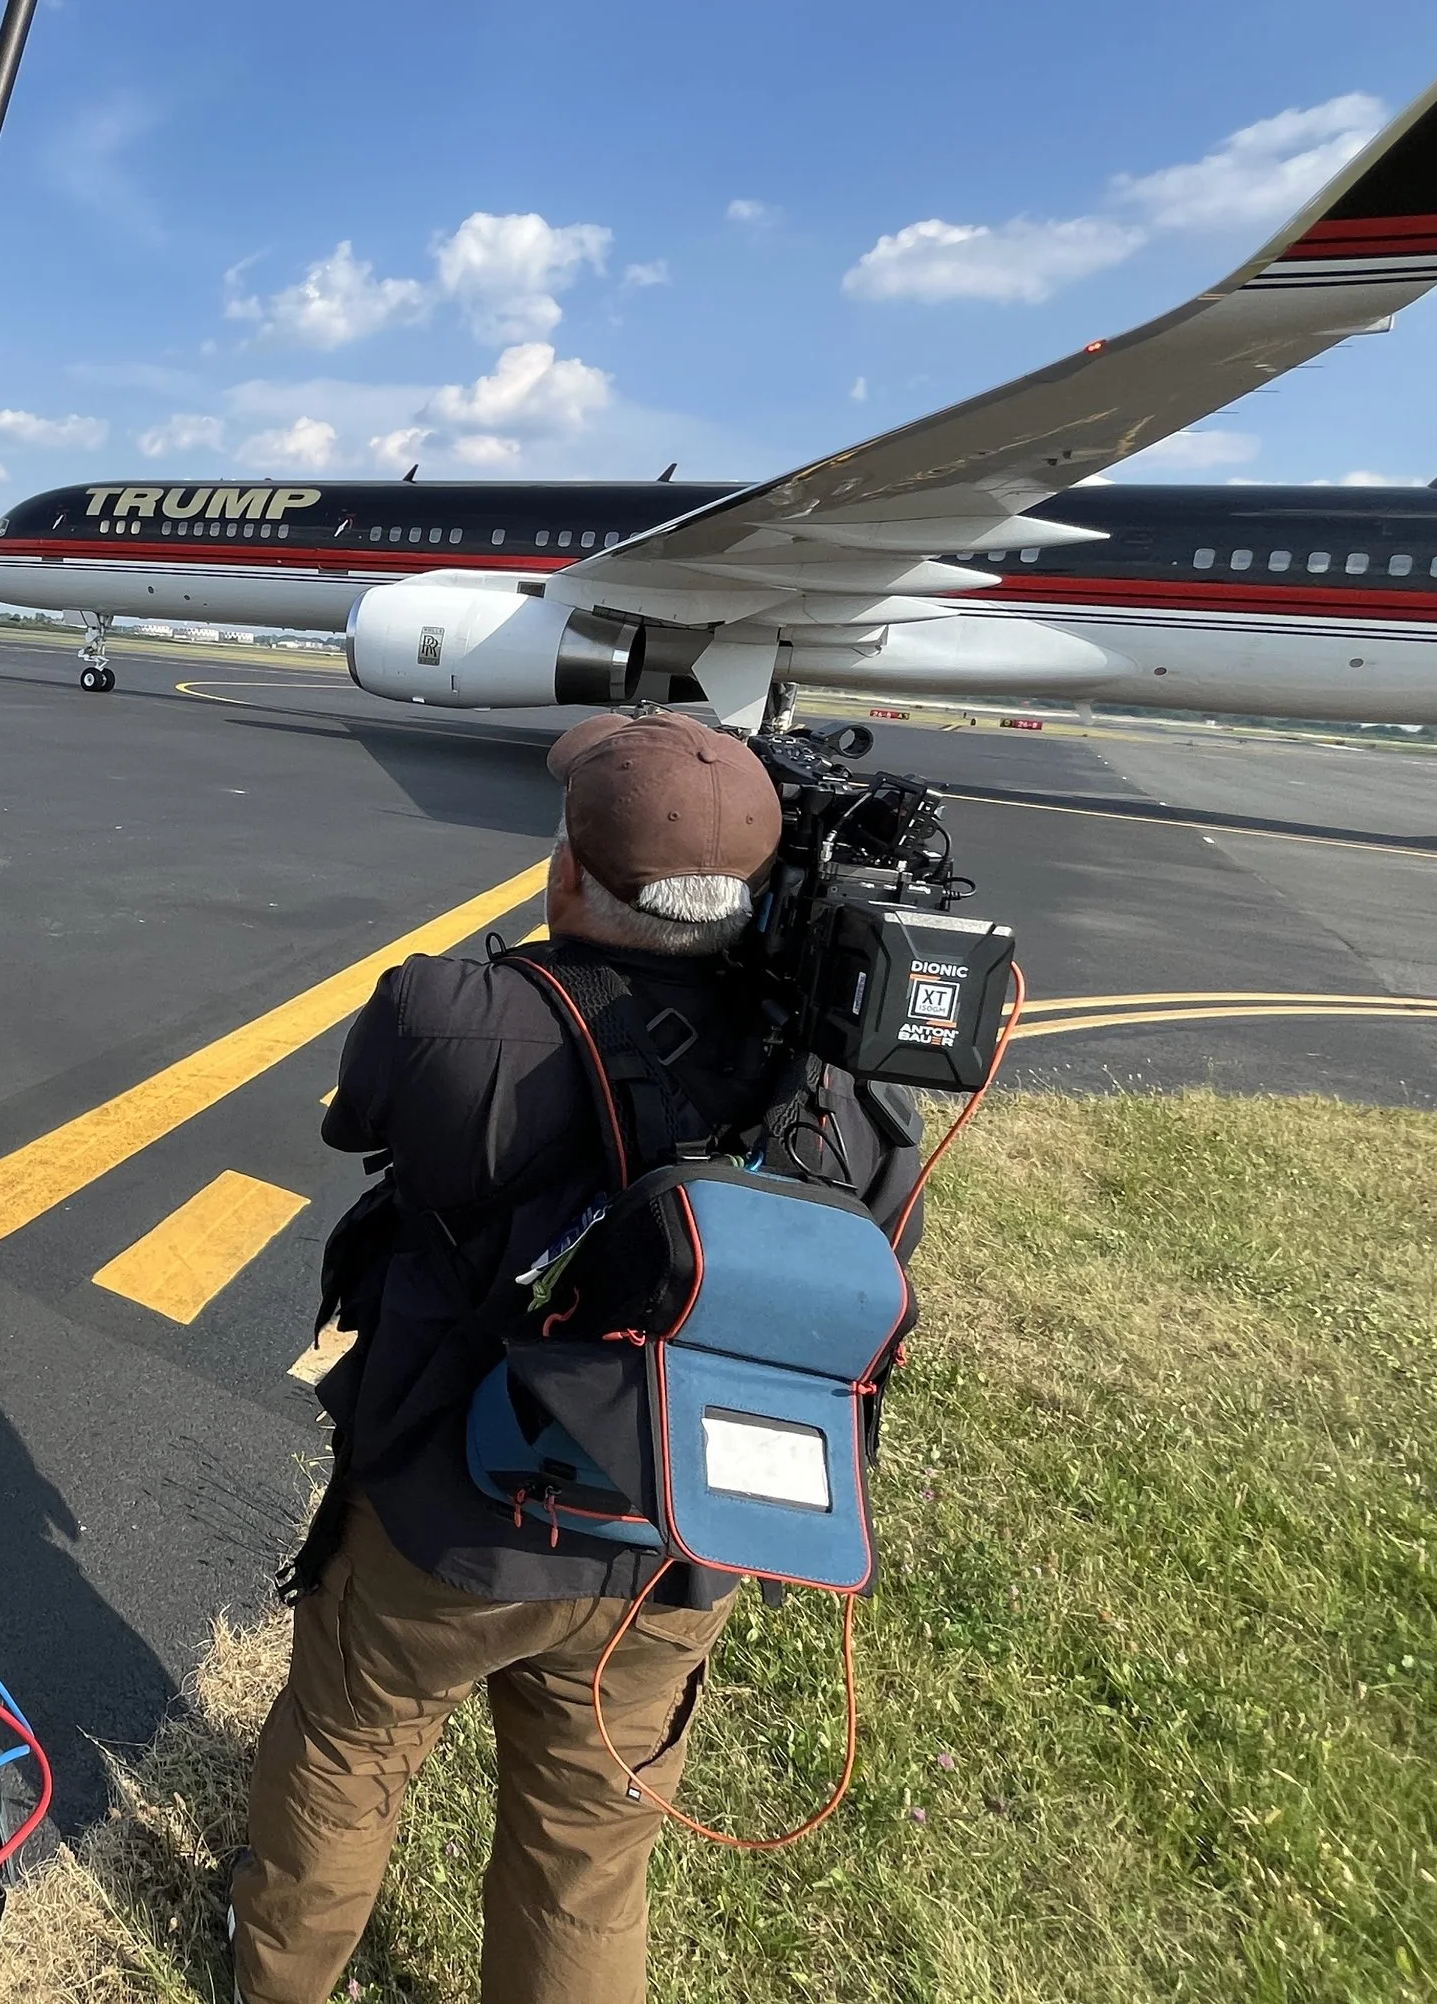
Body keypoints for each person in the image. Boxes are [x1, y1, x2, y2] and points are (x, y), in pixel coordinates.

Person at [228, 709, 926, 2004]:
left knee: (345, 1754)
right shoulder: (839, 1093)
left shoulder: (458, 1018)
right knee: (589, 1857)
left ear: (567, 870)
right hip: (676, 1532)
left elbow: (364, 1113)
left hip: (451, 1508)